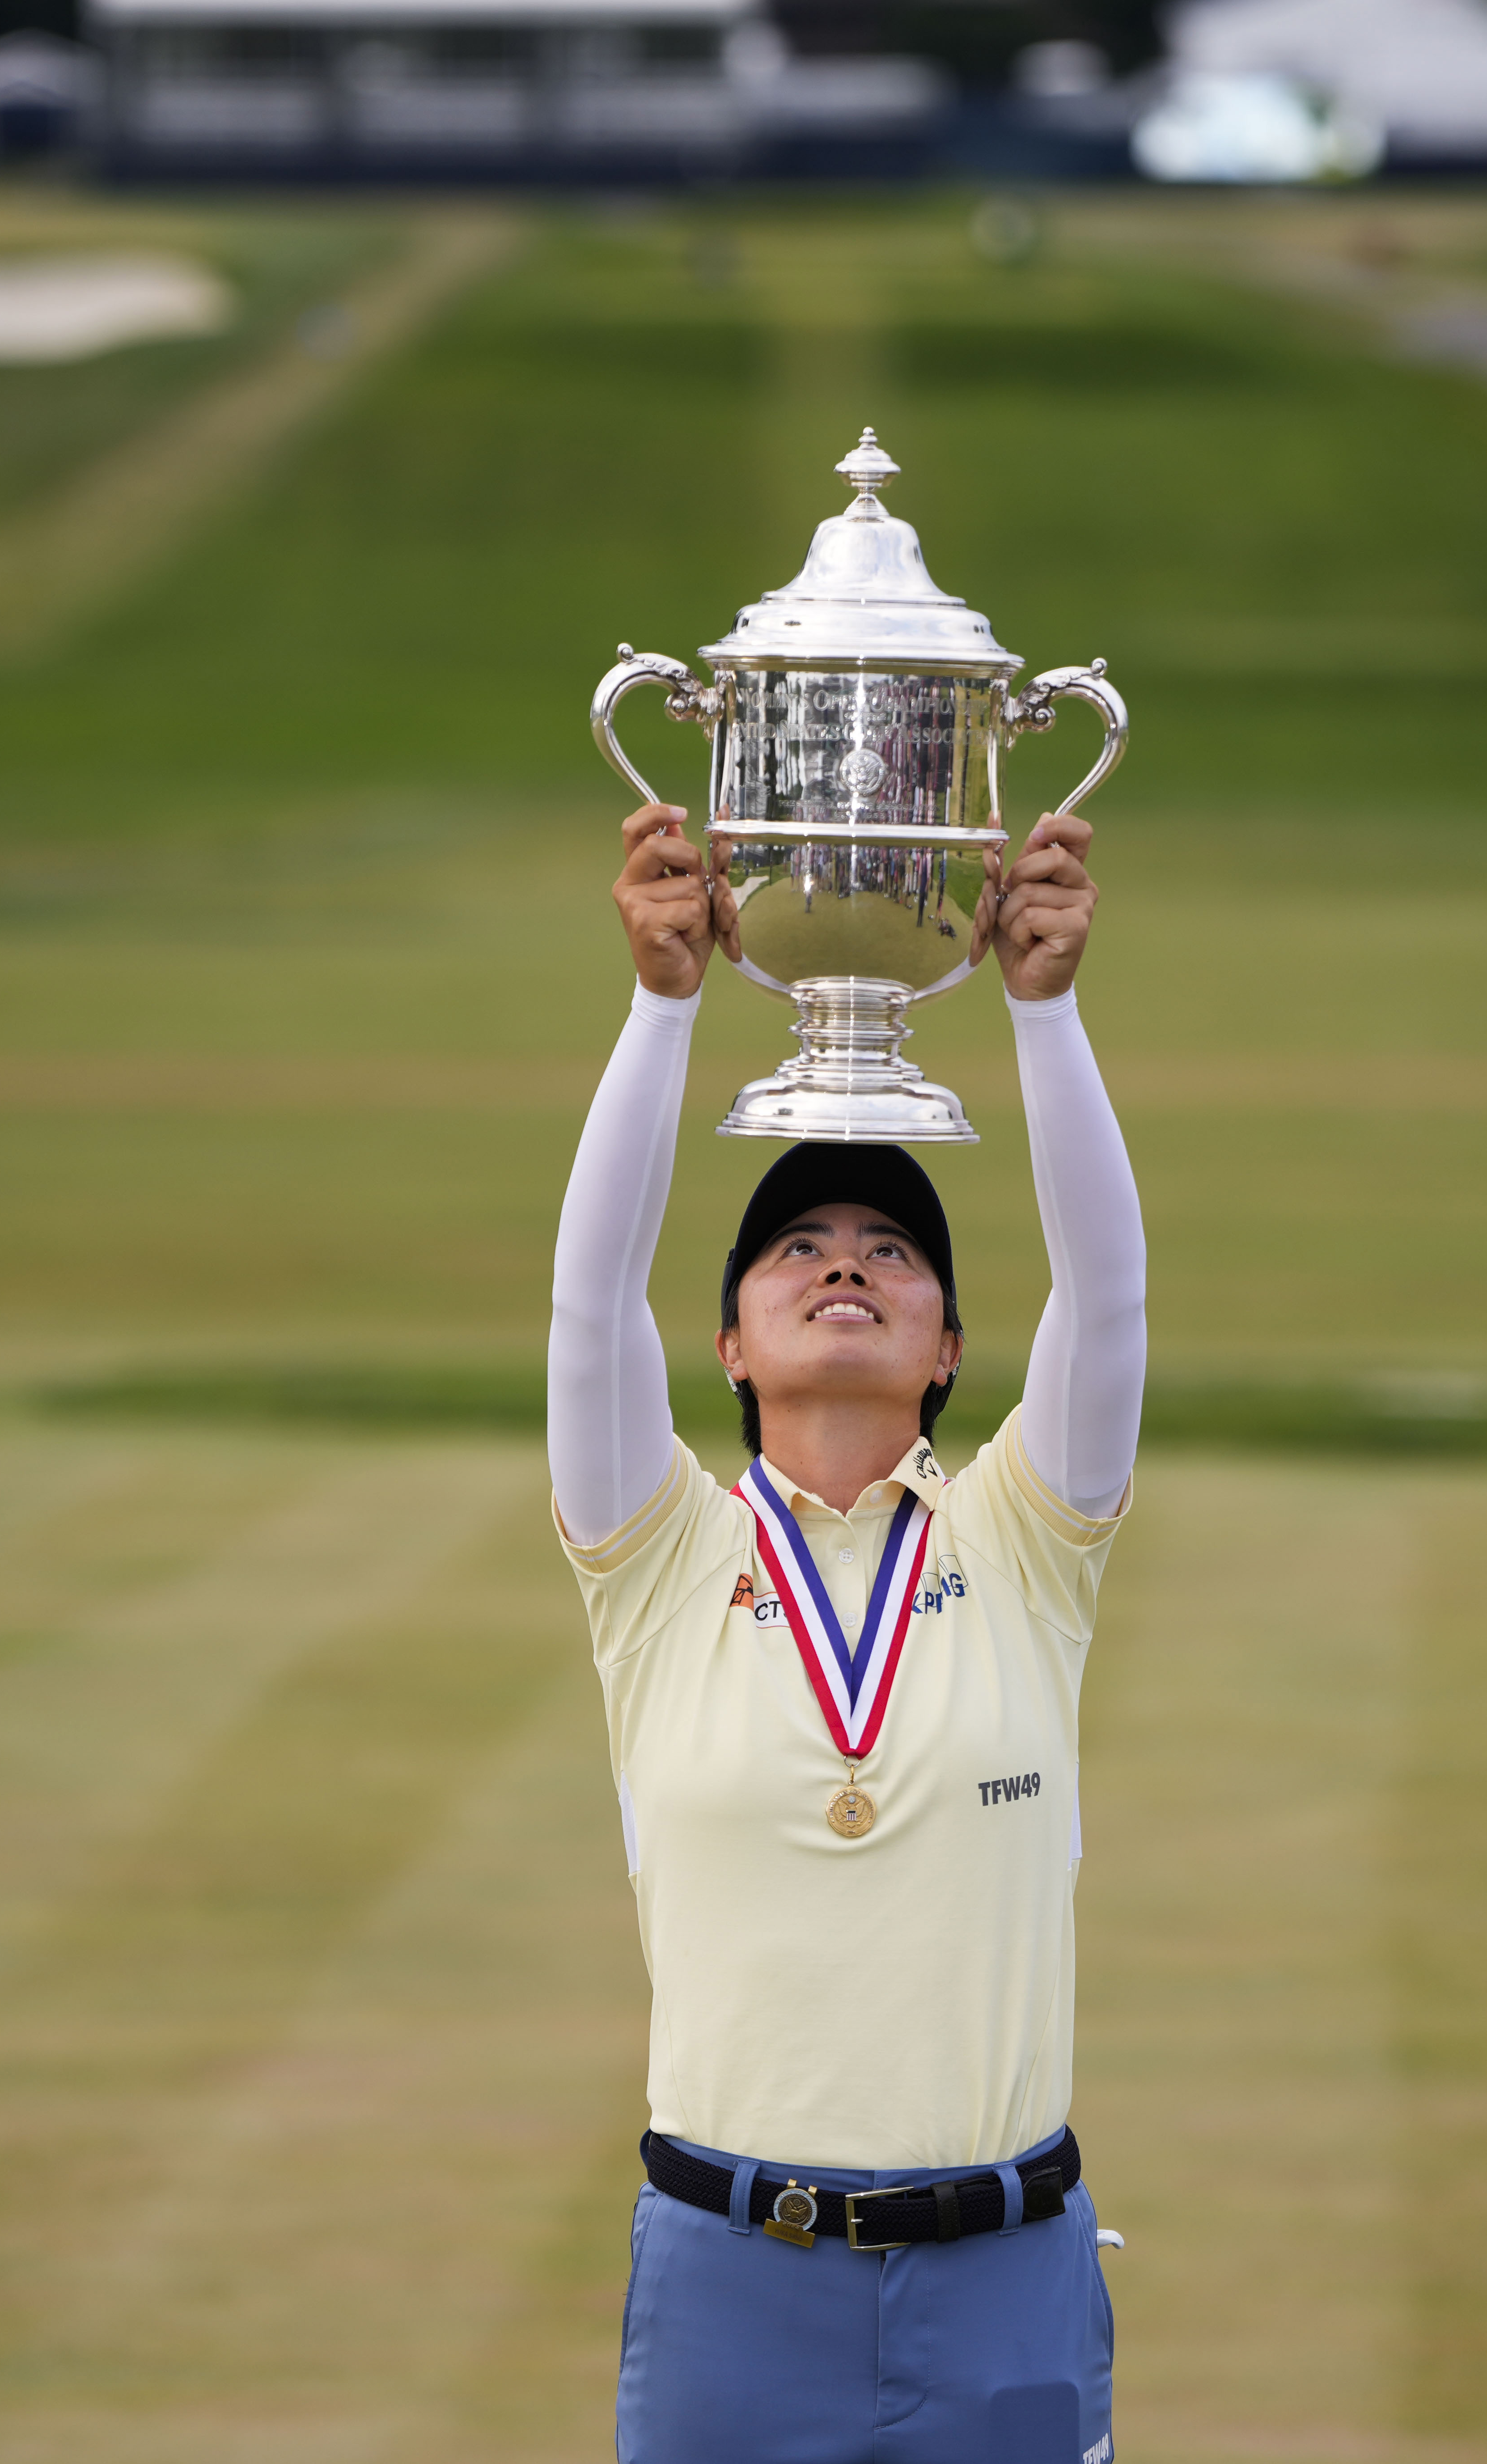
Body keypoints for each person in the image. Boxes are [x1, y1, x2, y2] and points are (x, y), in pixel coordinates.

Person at [549, 797, 1148, 2464]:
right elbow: (588, 1305)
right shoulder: (657, 1551)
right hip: (736, 2284)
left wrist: (1047, 1011)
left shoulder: (1021, 1536)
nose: (844, 1266)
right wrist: (664, 1005)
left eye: (892, 1251)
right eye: (795, 1247)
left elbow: (1111, 1302)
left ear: (951, 1345)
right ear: (729, 1344)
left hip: (1005, 2282)